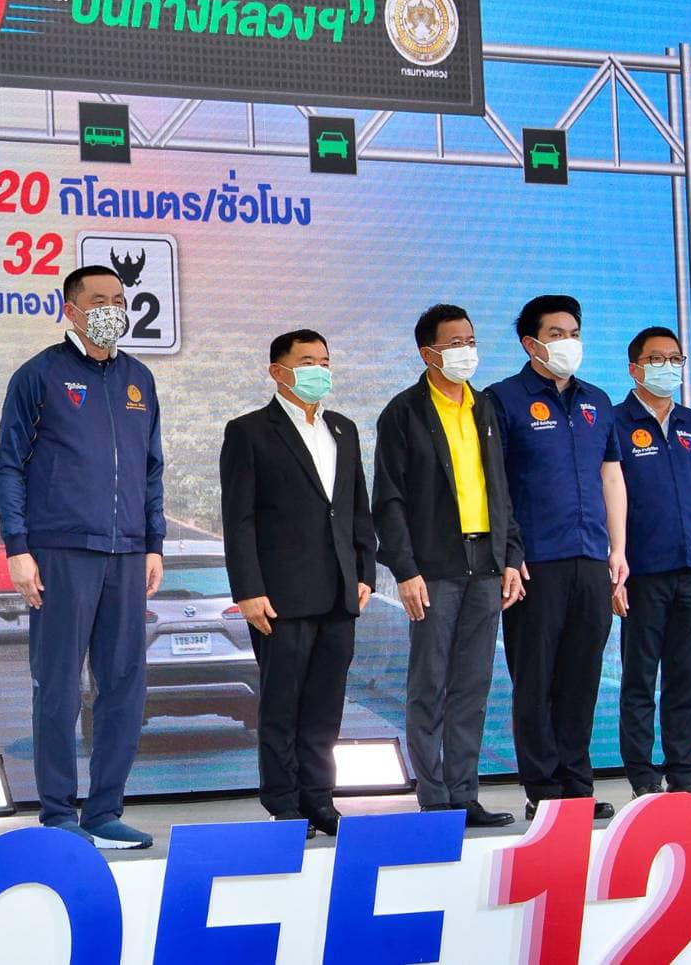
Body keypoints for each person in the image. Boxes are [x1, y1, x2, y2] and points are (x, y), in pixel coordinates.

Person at [0, 264, 165, 850]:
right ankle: (58, 814)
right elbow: (9, 466)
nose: (112, 309)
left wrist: (153, 542)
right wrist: (18, 548)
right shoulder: (39, 375)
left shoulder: (139, 378)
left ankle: (105, 811)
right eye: (98, 300)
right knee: (59, 687)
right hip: (61, 549)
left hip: (127, 552)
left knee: (124, 687)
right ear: (70, 310)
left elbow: (151, 469)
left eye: (119, 299)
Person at [220, 329, 376, 837]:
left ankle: (319, 798)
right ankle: (283, 803)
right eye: (307, 361)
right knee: (281, 704)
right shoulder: (249, 431)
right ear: (277, 370)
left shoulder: (342, 429)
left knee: (326, 706)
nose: (319, 371)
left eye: (324, 361)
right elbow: (239, 519)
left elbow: (356, 508)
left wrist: (365, 571)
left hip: (339, 591)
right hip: (280, 595)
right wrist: (248, 589)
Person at [373, 305, 523, 828]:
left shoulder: (485, 407)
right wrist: (404, 569)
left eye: (471, 341)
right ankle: (433, 796)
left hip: (487, 563)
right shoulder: (404, 412)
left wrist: (511, 556)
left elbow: (501, 488)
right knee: (429, 682)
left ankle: (465, 793)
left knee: (473, 685)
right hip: (433, 566)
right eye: (454, 343)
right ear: (428, 352)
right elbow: (388, 500)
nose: (466, 351)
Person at [485, 294, 626, 819]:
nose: (569, 342)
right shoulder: (503, 399)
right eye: (556, 333)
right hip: (535, 562)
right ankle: (543, 790)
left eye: (574, 332)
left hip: (591, 557)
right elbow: (495, 485)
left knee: (581, 677)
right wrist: (510, 551)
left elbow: (611, 477)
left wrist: (619, 549)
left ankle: (577, 786)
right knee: (536, 678)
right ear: (531, 343)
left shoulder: (598, 401)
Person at [611, 327, 691, 808]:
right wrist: (614, 569)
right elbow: (606, 499)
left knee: (684, 678)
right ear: (634, 368)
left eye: (675, 358)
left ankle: (683, 772)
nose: (667, 367)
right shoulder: (614, 422)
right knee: (640, 679)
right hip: (642, 571)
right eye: (656, 359)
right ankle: (642, 777)